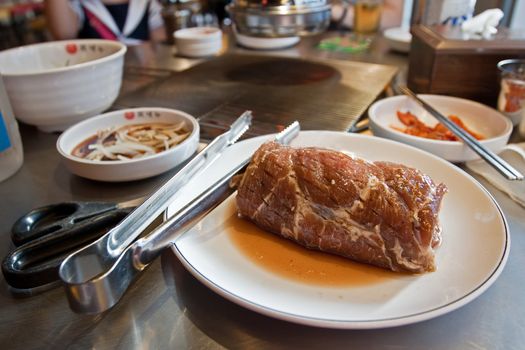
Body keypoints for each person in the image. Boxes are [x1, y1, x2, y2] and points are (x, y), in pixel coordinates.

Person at [44, 0, 166, 45]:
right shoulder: (78, 5)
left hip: (142, 77)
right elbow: (64, 35)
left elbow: (160, 44)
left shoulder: (146, 4)